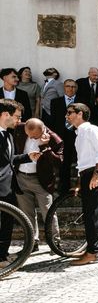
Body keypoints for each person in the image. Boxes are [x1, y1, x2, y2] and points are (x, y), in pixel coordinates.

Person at [66, 103, 98, 266]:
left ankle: (93, 252)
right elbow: (82, 161)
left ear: (80, 114)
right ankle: (93, 248)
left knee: (93, 215)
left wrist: (96, 175)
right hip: (87, 174)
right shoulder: (79, 133)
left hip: (95, 173)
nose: (67, 116)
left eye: (70, 112)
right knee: (90, 214)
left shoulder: (92, 130)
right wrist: (79, 182)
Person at [0, 100, 40, 268]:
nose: (19, 120)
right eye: (17, 117)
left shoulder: (8, 134)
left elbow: (8, 160)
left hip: (8, 187)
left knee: (7, 223)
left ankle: (2, 256)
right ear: (5, 115)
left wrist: (27, 157)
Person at [14, 118, 63, 252]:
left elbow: (58, 163)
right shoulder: (19, 129)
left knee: (49, 212)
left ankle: (55, 243)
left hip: (42, 180)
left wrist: (44, 146)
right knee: (26, 213)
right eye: (29, 136)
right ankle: (32, 243)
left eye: (34, 137)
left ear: (42, 130)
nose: (31, 138)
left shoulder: (54, 138)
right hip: (21, 177)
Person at [50, 79, 79, 193]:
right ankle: (64, 187)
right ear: (64, 88)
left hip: (78, 135)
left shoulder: (82, 101)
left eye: (73, 86)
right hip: (63, 136)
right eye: (68, 86)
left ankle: (80, 186)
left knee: (81, 160)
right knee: (64, 162)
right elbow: (54, 120)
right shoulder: (55, 102)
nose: (70, 89)